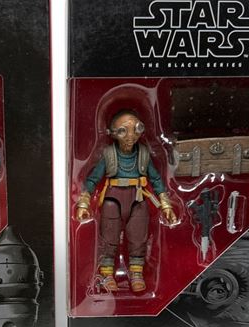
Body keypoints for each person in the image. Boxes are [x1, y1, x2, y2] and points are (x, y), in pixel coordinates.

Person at [75, 109, 176, 292]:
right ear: (113, 133)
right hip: (113, 199)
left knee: (138, 237)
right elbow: (92, 179)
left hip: (138, 199)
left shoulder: (143, 154)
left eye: (136, 129)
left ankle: (136, 273)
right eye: (123, 131)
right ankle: (107, 274)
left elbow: (155, 179)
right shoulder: (108, 155)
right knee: (109, 237)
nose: (130, 136)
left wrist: (166, 205)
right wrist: (83, 203)